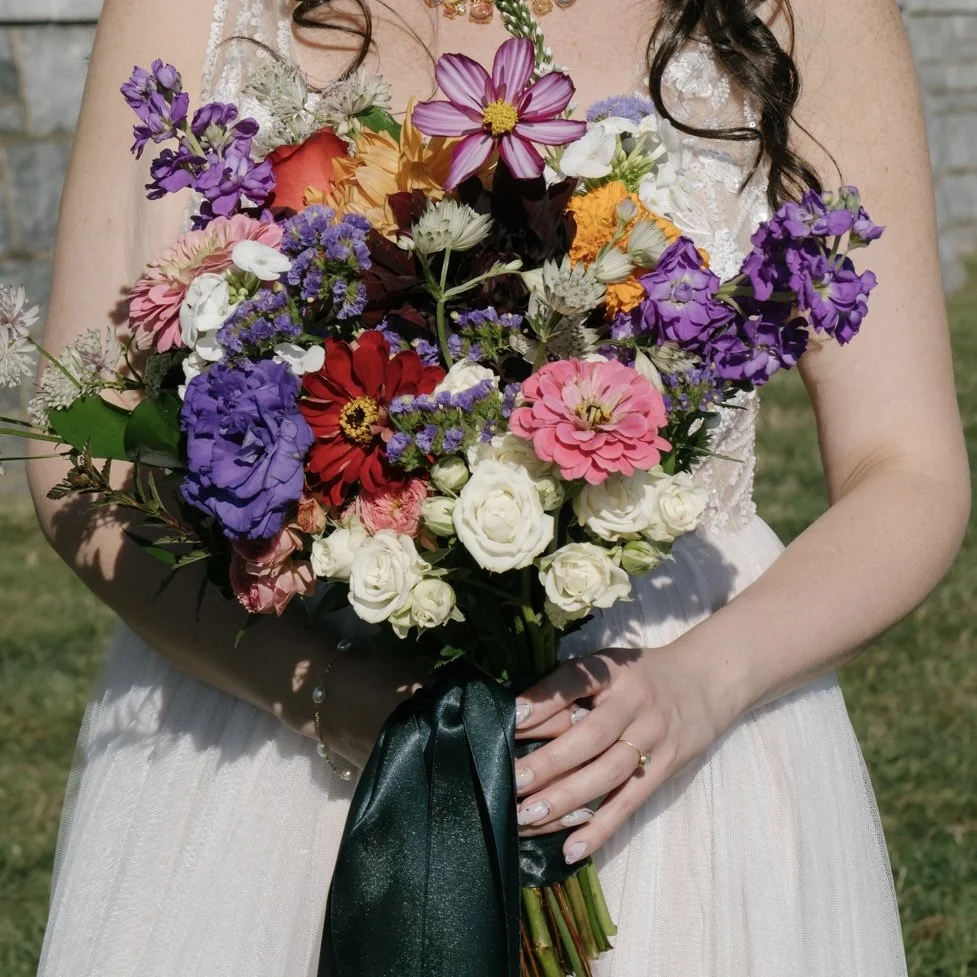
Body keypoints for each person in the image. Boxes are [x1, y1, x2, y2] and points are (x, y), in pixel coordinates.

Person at [28, 0, 969, 974]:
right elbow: (73, 454)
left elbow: (904, 468)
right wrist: (332, 697)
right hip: (273, 724)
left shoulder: (807, 14)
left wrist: (698, 684)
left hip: (666, 749)